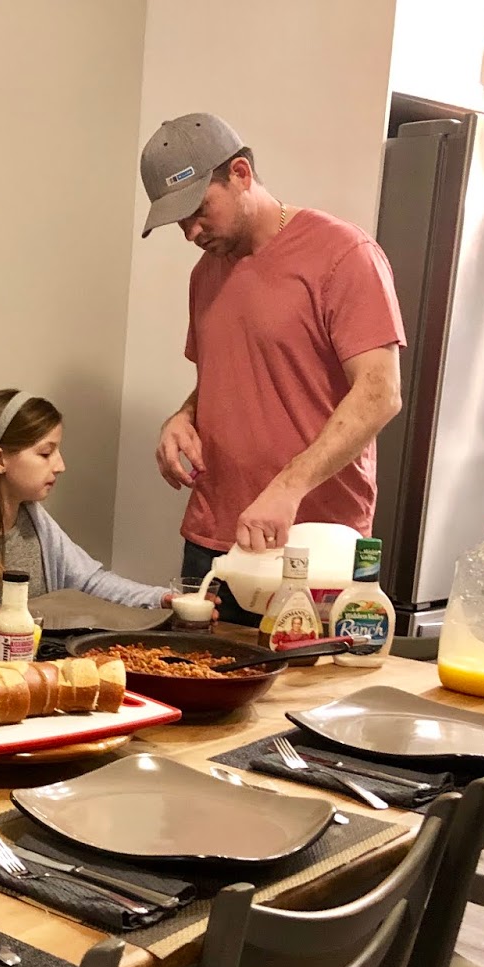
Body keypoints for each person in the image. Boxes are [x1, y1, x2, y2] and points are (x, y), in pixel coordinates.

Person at [139, 113, 405, 622]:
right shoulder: (205, 274)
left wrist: (288, 486)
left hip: (311, 546)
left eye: (198, 209)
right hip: (214, 541)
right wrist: (182, 417)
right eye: (179, 222)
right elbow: (225, 377)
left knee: (306, 676)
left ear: (240, 174)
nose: (191, 232)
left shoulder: (343, 254)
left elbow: (380, 393)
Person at [0, 389, 168, 637]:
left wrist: (160, 599)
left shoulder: (37, 523)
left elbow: (90, 582)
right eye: (45, 453)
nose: (60, 466)